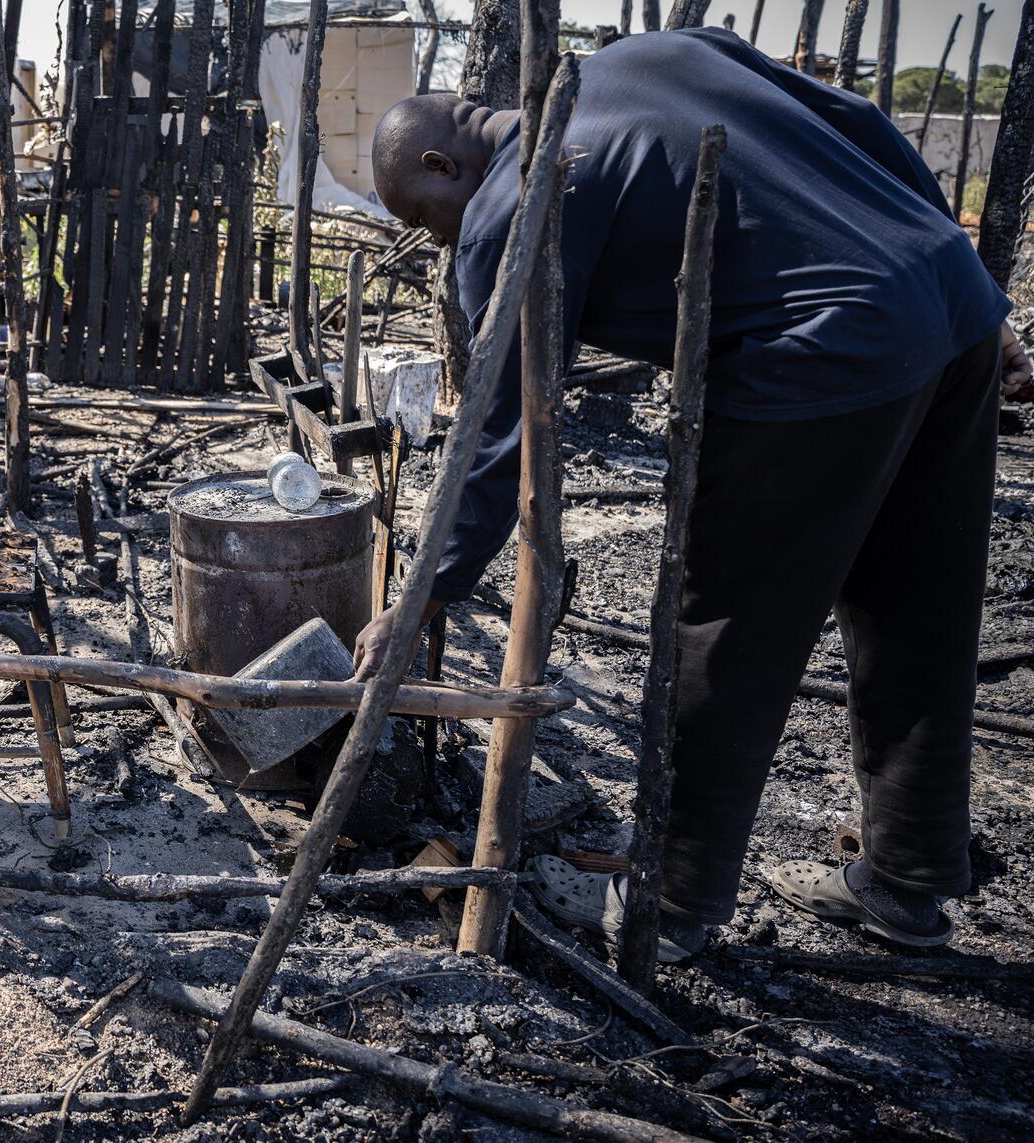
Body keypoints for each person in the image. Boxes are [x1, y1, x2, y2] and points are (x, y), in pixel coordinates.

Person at [358, 27, 1031, 961]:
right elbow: (861, 123)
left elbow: (499, 432)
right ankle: (909, 883)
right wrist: (970, 288)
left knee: (725, 624)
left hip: (822, 344)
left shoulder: (519, 193)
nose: (442, 241)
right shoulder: (655, 53)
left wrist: (421, 594)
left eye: (426, 218)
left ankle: (670, 900)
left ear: (444, 161)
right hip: (947, 304)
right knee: (919, 604)